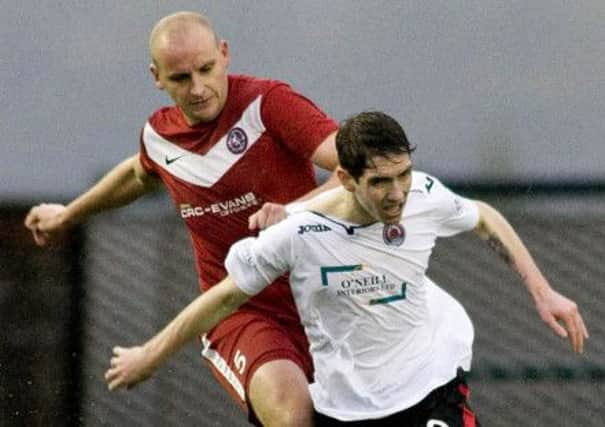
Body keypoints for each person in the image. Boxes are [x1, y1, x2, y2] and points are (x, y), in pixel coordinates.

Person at [104, 111, 588, 426]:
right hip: (349, 405)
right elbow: (223, 297)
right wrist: (151, 353)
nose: (397, 193)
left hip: (430, 383)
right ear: (345, 178)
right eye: (380, 182)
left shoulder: (423, 197)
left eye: (402, 175)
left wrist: (544, 292)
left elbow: (485, 217)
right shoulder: (297, 233)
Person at [24, 11, 341, 427]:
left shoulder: (269, 104)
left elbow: (353, 171)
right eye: (179, 78)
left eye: (206, 69)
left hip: (327, 299)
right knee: (292, 414)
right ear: (157, 77)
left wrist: (294, 213)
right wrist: (68, 214)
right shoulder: (158, 136)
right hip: (243, 313)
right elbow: (139, 173)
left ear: (224, 54)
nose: (197, 88)